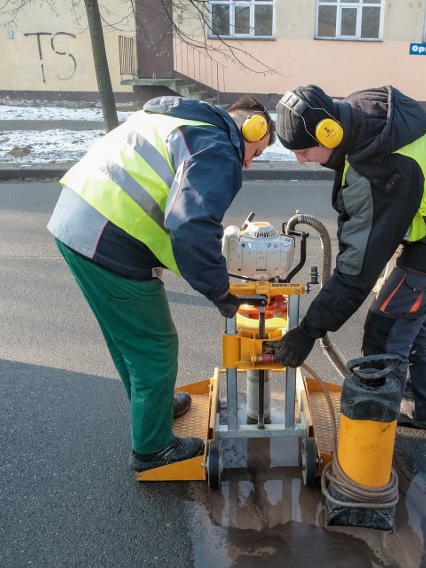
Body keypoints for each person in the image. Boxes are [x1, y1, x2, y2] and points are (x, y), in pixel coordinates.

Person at [48, 95, 275, 471]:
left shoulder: (175, 119)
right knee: (155, 345)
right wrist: (219, 289)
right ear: (253, 127)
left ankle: (155, 409)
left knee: (127, 337)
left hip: (76, 222)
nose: (249, 162)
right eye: (256, 151)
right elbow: (191, 225)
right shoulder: (218, 146)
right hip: (110, 239)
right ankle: (153, 449)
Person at [273, 85, 426, 430]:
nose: (300, 160)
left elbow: (357, 269)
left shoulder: (379, 166)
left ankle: (374, 435)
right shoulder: (359, 113)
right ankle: (417, 409)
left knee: (386, 323)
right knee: (406, 312)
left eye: (303, 151)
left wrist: (308, 331)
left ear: (328, 132)